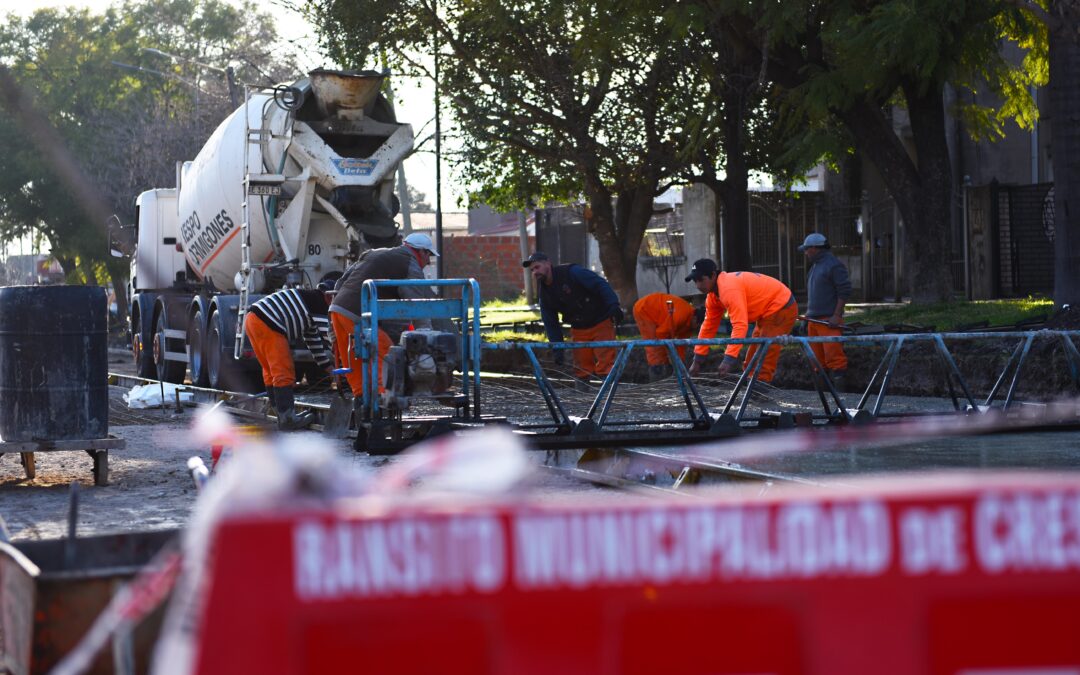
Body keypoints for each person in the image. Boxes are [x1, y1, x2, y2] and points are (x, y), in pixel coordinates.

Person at [329, 232, 443, 399]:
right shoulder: (410, 264)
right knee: (386, 354)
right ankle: (386, 400)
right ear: (421, 252)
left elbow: (341, 281)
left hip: (337, 310)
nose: (428, 261)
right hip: (359, 314)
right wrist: (426, 335)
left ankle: (363, 403)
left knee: (356, 363)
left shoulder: (374, 253)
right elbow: (415, 303)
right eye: (429, 255)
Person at [686, 259, 797, 383]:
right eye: (695, 281)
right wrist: (697, 360)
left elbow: (740, 326)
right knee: (753, 357)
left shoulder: (728, 289)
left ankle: (761, 385)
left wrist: (728, 360)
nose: (698, 286)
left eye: (701, 280)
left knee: (766, 349)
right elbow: (708, 326)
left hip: (781, 306)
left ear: (713, 275)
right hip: (766, 313)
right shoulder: (713, 297)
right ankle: (752, 383)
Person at [243, 284, 334, 430]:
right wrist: (345, 361)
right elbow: (329, 338)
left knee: (270, 370)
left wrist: (327, 367)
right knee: (283, 371)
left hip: (252, 319)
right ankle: (287, 419)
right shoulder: (319, 303)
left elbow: (314, 342)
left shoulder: (309, 306)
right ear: (328, 296)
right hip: (269, 322)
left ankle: (280, 413)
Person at [522, 252, 623, 380]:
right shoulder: (545, 296)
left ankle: (610, 396)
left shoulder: (572, 272)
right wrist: (557, 348)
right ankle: (582, 397)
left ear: (548, 263)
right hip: (579, 328)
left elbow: (600, 284)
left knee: (607, 365)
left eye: (537, 267)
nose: (535, 272)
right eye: (532, 270)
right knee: (581, 369)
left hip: (601, 321)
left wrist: (613, 305)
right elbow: (550, 323)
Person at [799, 232, 852, 386]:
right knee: (817, 361)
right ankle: (823, 397)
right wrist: (807, 317)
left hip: (828, 320)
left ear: (815, 248)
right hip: (814, 321)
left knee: (835, 358)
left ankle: (842, 396)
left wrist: (836, 315)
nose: (806, 253)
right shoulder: (815, 267)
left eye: (807, 249)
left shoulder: (833, 265)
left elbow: (844, 290)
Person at [632, 292, 696, 381]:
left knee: (663, 344)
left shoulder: (689, 325)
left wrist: (680, 364)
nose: (698, 328)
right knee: (654, 344)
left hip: (658, 314)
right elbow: (661, 334)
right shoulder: (682, 315)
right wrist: (667, 357)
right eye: (698, 325)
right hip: (644, 308)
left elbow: (680, 345)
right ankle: (657, 374)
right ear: (695, 318)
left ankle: (665, 371)